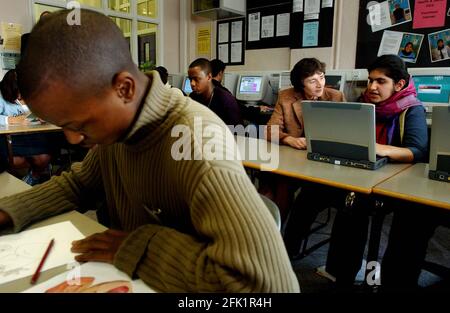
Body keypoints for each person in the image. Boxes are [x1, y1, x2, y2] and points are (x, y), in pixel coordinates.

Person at [0, 9, 299, 293]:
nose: (73, 139)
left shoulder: (196, 144)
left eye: (79, 124)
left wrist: (139, 248)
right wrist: (9, 211)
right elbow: (78, 184)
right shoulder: (118, 130)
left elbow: (265, 286)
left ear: (124, 89)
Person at [323, 54, 428, 289]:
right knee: (349, 207)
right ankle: (343, 276)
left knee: (409, 225)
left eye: (381, 81)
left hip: (399, 183)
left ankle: (394, 284)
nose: (372, 86)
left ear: (399, 84)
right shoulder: (363, 105)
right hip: (364, 177)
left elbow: (418, 150)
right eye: (370, 80)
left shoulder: (412, 109)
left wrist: (380, 148)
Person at [261, 58, 345, 221]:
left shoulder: (336, 96)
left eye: (321, 77)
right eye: (312, 81)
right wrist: (289, 139)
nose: (320, 84)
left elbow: (345, 134)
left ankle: (273, 228)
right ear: (300, 85)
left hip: (321, 161)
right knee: (275, 178)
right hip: (292, 159)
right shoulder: (286, 96)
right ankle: (268, 226)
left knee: (278, 181)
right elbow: (270, 130)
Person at [0, 69, 53, 185]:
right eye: (17, 93)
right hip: (12, 138)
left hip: (35, 135)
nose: (20, 97)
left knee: (44, 156)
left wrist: (45, 116)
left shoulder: (37, 92)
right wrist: (9, 119)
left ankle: (35, 175)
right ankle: (35, 170)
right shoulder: (1, 96)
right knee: (10, 159)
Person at [188, 58, 243, 126]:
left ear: (209, 77)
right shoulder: (192, 97)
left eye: (196, 79)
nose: (192, 83)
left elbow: (237, 132)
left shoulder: (226, 100)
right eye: (190, 79)